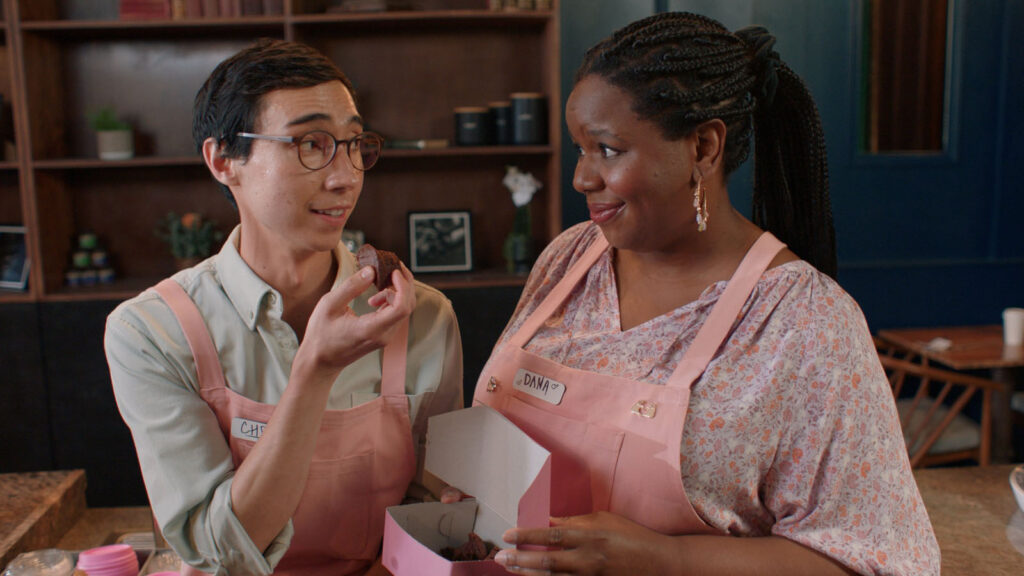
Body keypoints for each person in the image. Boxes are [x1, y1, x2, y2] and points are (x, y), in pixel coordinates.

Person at [472, 12, 939, 576]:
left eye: (608, 150)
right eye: (579, 149)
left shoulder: (805, 322)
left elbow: (873, 560)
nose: (582, 178)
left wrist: (666, 559)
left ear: (704, 147)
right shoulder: (570, 260)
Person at [105, 39, 463, 576]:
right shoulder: (153, 331)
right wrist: (314, 372)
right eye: (311, 144)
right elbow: (215, 551)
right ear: (224, 160)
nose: (346, 176)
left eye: (353, 143)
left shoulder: (421, 315)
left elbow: (436, 511)